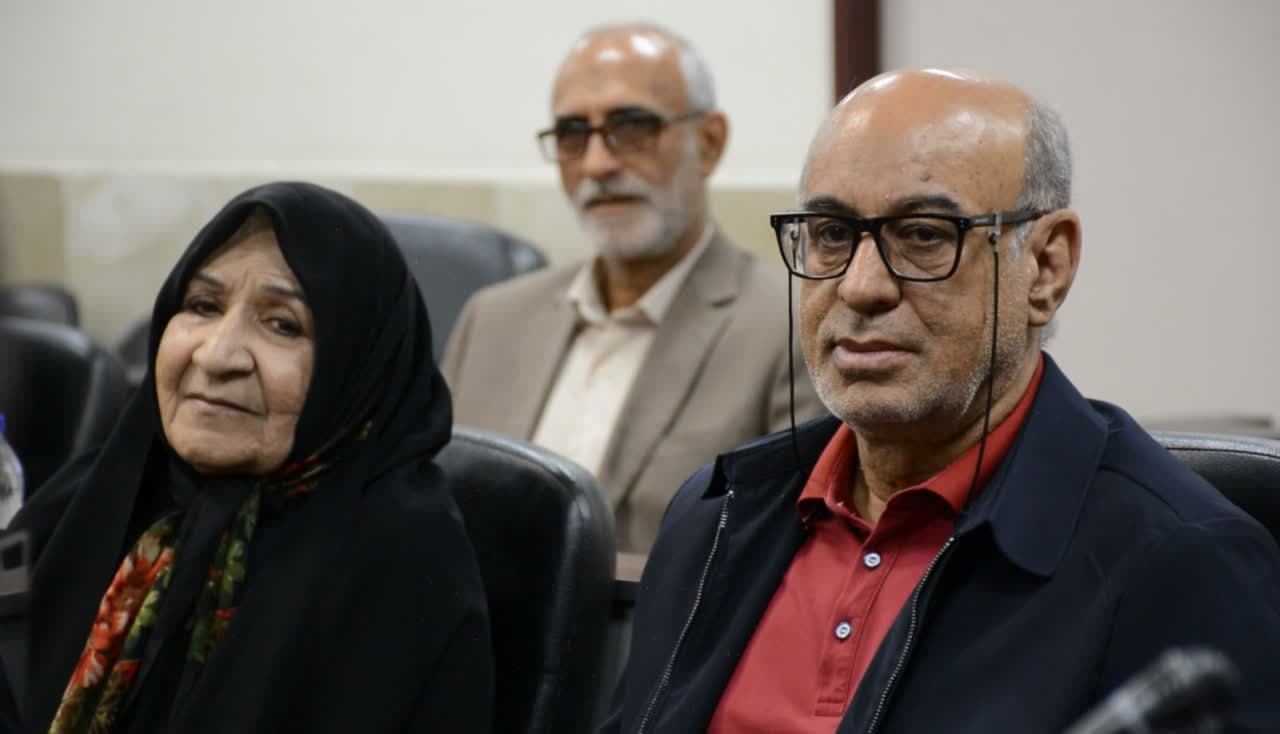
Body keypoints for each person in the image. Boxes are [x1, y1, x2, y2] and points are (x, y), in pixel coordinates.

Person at [601, 69, 1280, 733]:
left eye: (925, 235)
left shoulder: (1183, 563)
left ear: (1046, 266)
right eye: (832, 234)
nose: (862, 287)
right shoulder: (718, 512)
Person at [9, 182, 493, 732]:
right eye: (203, 306)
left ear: (357, 370)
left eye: (283, 324)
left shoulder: (402, 565)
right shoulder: (93, 495)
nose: (217, 356)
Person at [441, 22, 822, 552]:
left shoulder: (791, 325)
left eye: (632, 126)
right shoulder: (492, 319)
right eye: (572, 134)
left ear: (709, 143)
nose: (597, 163)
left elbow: (784, 553)